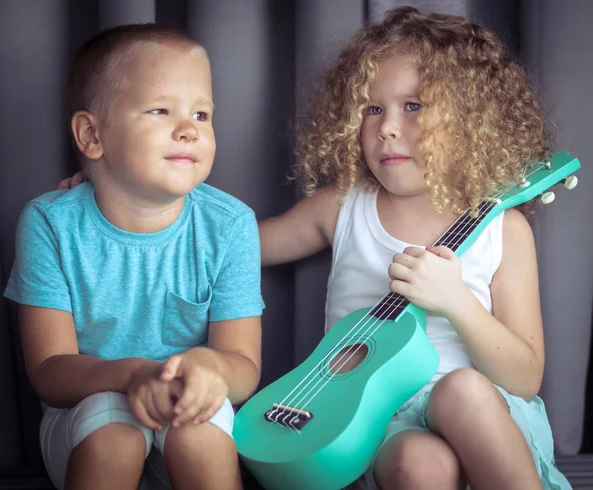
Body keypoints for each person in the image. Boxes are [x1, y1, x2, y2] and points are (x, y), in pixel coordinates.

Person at [58, 7, 572, 490]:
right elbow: (227, 246)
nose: (387, 126)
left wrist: (456, 300)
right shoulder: (343, 208)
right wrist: (117, 191)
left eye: (413, 106)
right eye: (372, 108)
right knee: (422, 464)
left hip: (483, 416)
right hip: (375, 420)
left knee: (459, 391)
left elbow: (524, 378)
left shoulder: (502, 228)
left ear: (472, 119)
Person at [7, 24, 263, 490]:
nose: (188, 129)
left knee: (198, 435)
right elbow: (49, 371)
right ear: (91, 134)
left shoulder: (231, 224)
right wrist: (134, 376)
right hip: (88, 412)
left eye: (202, 115)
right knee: (118, 438)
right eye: (161, 110)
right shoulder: (49, 223)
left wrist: (208, 369)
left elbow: (243, 367)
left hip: (191, 404)